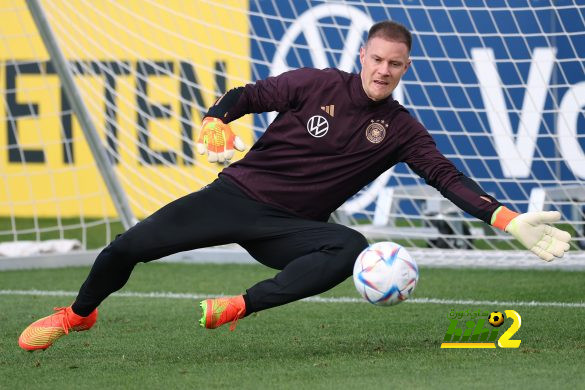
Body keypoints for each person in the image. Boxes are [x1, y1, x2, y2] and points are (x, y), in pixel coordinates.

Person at [18, 21, 571, 351]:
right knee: (127, 247)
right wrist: (217, 118)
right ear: (363, 56)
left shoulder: (401, 130)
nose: (383, 70)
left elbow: (447, 178)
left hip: (291, 230)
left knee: (349, 248)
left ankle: (241, 306)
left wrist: (507, 219)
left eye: (394, 65)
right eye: (377, 59)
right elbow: (249, 95)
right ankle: (78, 315)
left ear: (404, 69)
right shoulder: (315, 85)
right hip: (233, 198)